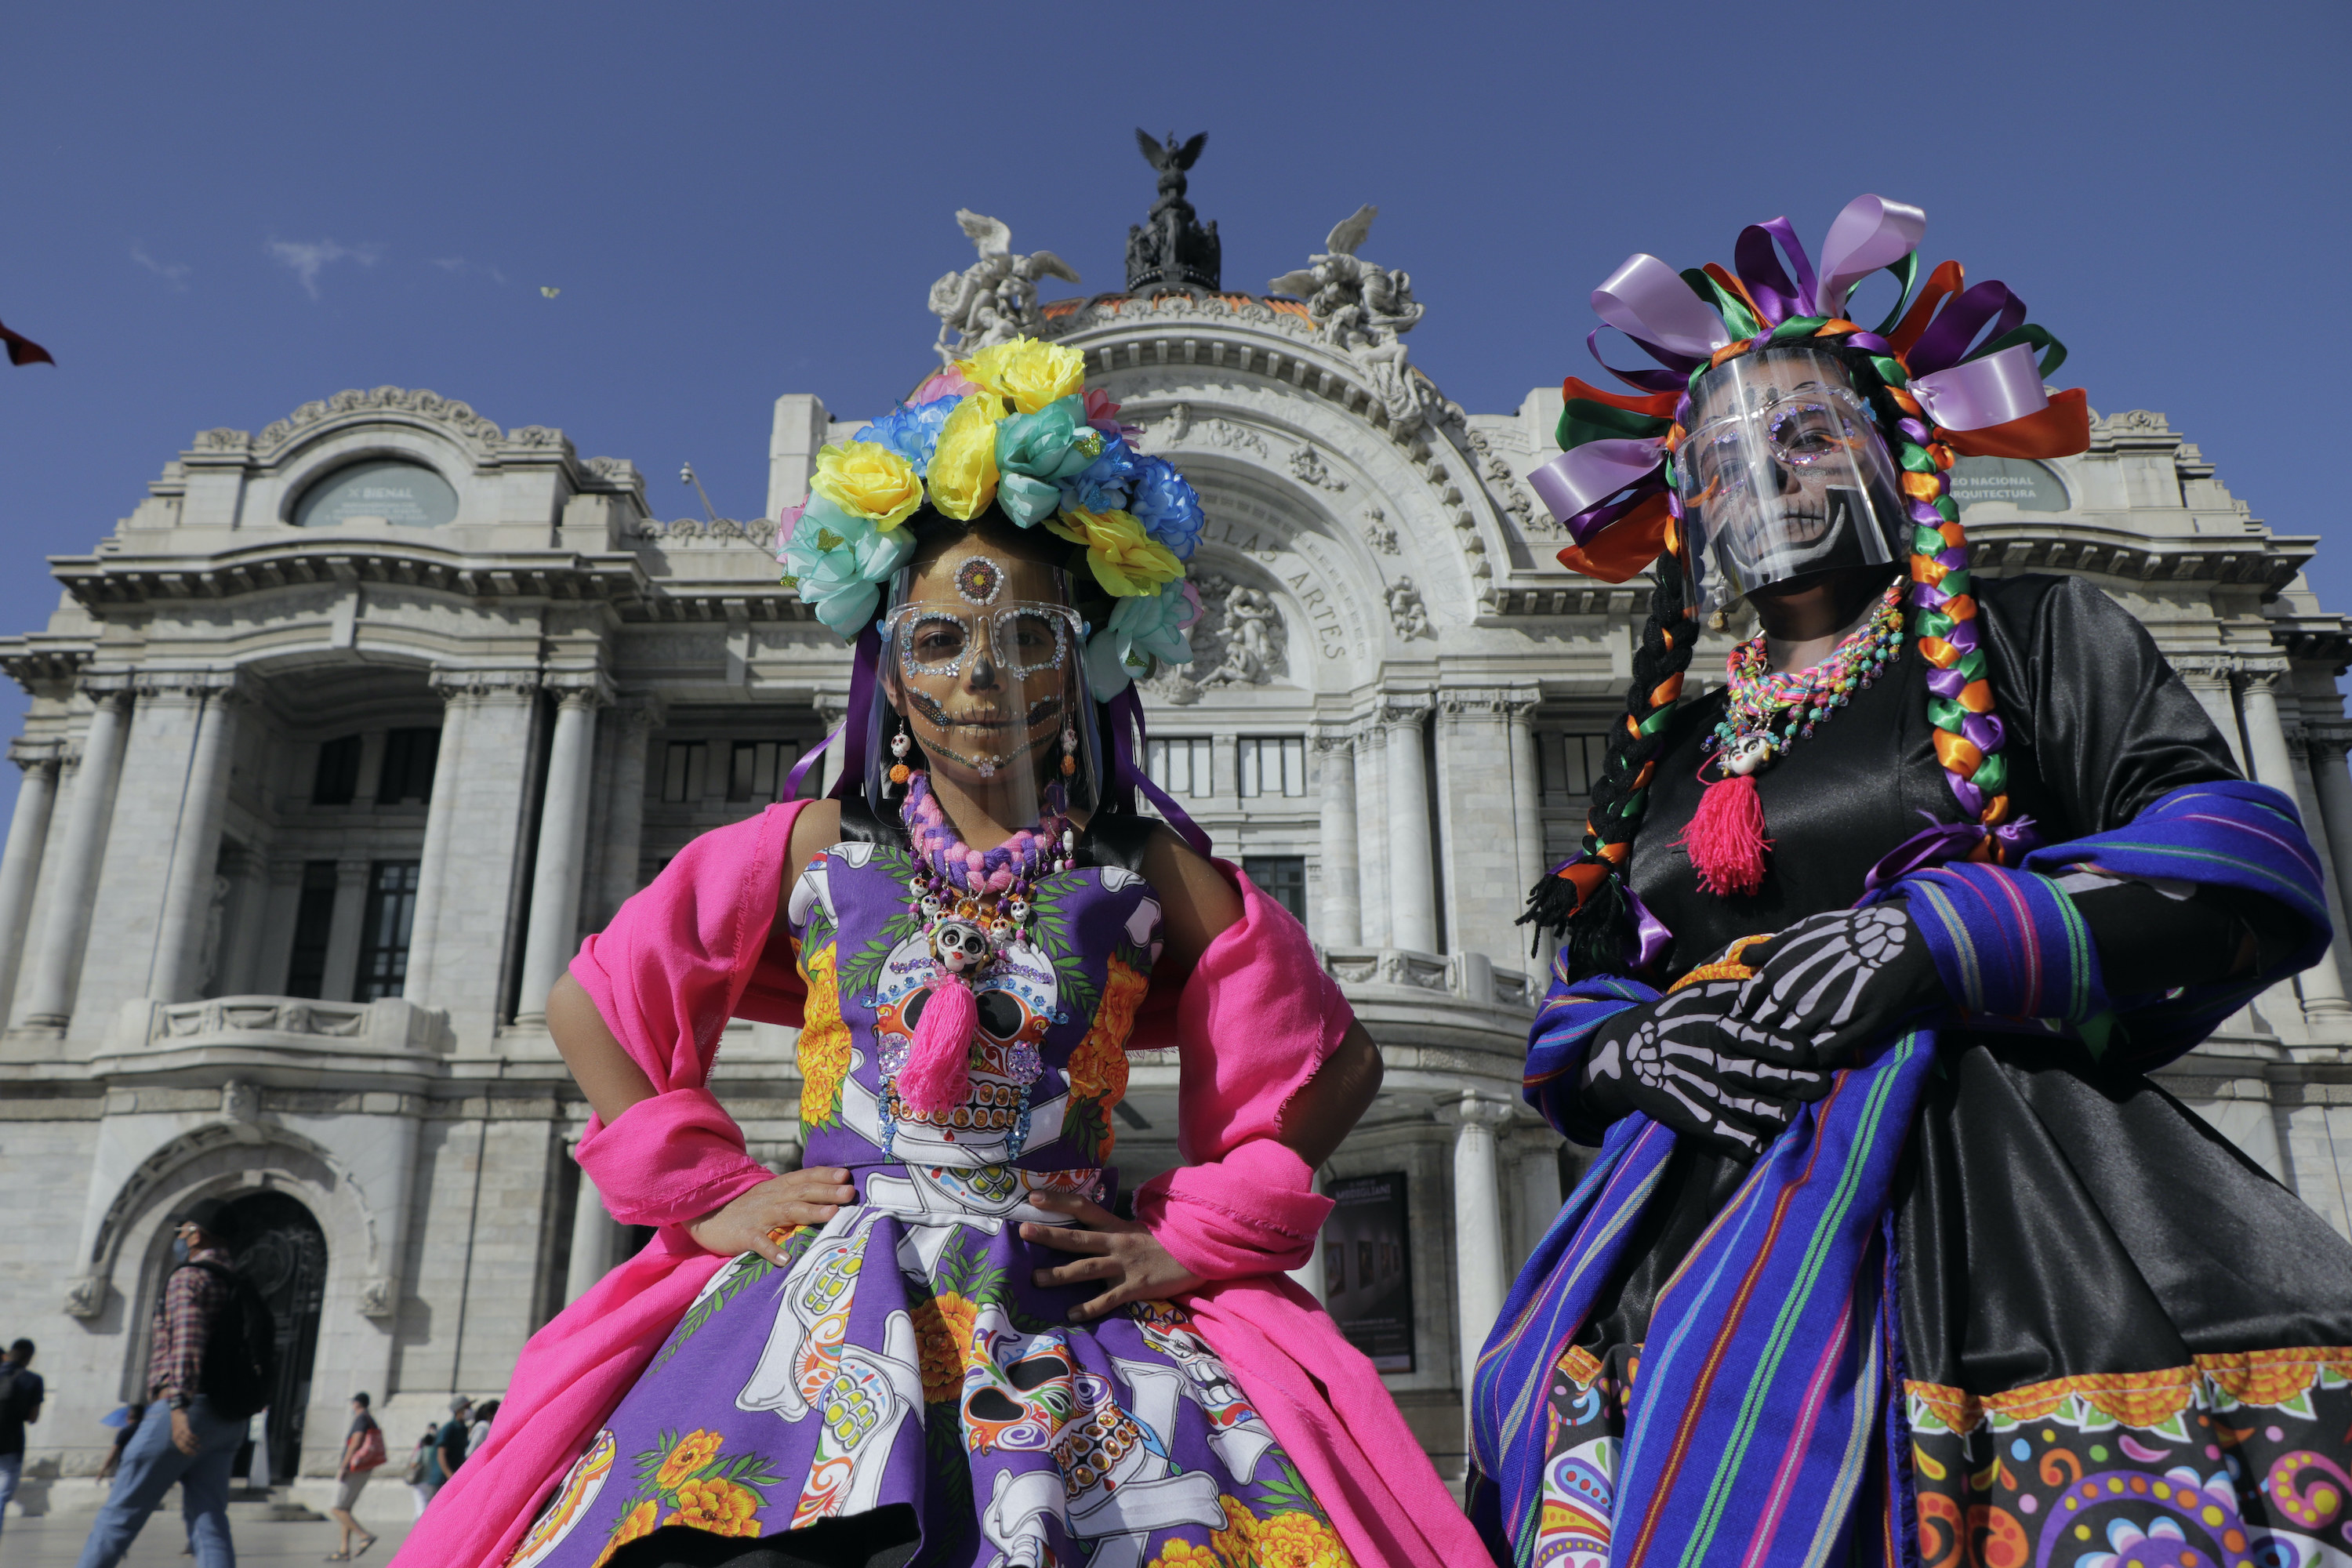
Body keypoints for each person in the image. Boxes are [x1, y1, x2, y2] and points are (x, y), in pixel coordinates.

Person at [394, 339, 1486, 1568]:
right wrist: (712, 1193)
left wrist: (1200, 1232)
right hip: (823, 1290)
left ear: (1084, 656)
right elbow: (594, 1001)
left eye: (1026, 637)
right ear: (887, 663)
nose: (982, 675)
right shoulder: (815, 841)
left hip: (1060, 1289)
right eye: (940, 643)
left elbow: (1336, 1060)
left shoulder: (1141, 864)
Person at [1468, 194, 2352, 1565]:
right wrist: (1640, 1048)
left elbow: (2243, 862)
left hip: (1988, 1214)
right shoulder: (1675, 752)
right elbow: (1575, 1013)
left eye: (1810, 439)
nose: (1772, 483)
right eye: (1724, 462)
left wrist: (1943, 937)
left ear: (1893, 452)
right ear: (1685, 508)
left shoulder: (2035, 637)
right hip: (1690, 1236)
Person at [76, 1200, 256, 1568]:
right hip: (229, 1418)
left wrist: (177, 1408)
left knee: (120, 1514)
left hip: (186, 1412)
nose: (179, 1237)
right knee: (209, 1522)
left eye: (183, 1229)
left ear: (196, 1234)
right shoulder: (240, 1282)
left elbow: (187, 1345)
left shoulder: (190, 1277)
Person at [326, 1392, 383, 1560]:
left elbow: (356, 1441)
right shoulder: (369, 1418)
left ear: (356, 1403)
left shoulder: (361, 1418)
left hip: (354, 1468)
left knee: (337, 1508)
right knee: (346, 1508)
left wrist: (343, 1466)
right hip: (364, 1468)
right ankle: (344, 1550)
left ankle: (364, 1536)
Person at [0, 1338, 43, 1542]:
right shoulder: (32, 1380)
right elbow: (33, 1418)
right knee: (4, 1488)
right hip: (11, 1441)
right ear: (29, 1358)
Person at [424, 1398, 470, 1496]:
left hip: (454, 1478)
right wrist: (449, 1475)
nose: (470, 1410)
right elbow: (441, 1454)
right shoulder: (449, 1428)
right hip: (441, 1479)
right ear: (459, 1410)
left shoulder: (463, 1429)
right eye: (467, 1407)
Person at [403, 1427, 439, 1519]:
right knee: (429, 1502)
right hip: (433, 1480)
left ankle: (421, 1523)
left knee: (420, 1503)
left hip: (421, 1480)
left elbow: (414, 1464)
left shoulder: (422, 1451)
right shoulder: (436, 1451)